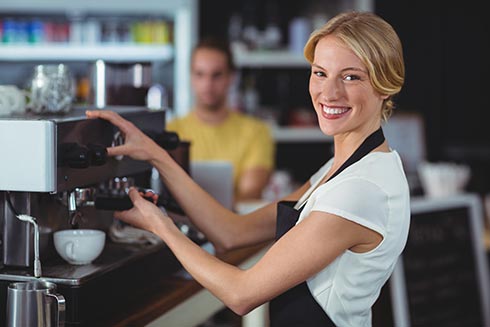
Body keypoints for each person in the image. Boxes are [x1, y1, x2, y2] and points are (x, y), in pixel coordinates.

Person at [86, 11, 410, 327]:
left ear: (385, 85)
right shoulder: (343, 169)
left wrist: (160, 226)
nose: (329, 92)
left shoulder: (361, 190)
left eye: (351, 76)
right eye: (320, 73)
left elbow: (242, 294)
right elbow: (233, 233)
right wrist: (156, 154)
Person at [166, 37, 275, 201]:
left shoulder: (256, 132)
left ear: (231, 77)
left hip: (237, 224)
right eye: (200, 74)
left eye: (216, 75)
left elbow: (250, 194)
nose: (207, 84)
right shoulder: (170, 131)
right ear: (191, 77)